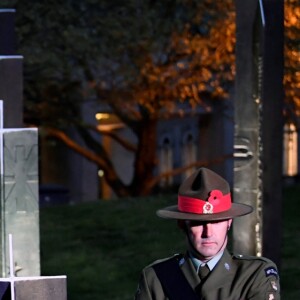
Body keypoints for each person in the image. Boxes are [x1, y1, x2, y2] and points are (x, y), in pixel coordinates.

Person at [135, 167, 280, 300]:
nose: (208, 232)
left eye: (216, 222)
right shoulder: (156, 278)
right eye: (198, 223)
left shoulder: (254, 275)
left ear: (229, 222)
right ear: (182, 224)